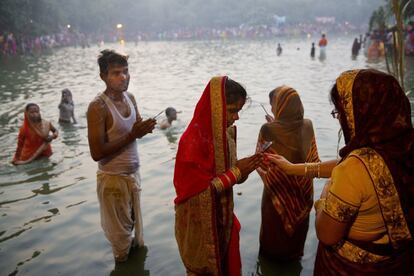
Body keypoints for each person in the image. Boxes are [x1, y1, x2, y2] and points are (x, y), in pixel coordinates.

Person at [267, 69, 414, 274]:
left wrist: (323, 197)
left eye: (340, 112)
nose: (339, 120)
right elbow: (354, 164)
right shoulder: (402, 148)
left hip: (353, 266)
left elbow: (327, 234)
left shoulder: (352, 170)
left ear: (360, 111)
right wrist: (293, 169)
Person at [174, 76, 263, 275]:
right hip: (198, 227)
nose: (236, 117)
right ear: (215, 107)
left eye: (238, 111)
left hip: (224, 219)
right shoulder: (192, 142)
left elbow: (232, 177)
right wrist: (237, 171)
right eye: (232, 111)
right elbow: (196, 193)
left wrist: (247, 168)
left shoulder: (226, 135)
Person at [87, 49, 156, 263]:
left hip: (133, 175)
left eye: (126, 71)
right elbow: (96, 153)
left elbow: (134, 130)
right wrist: (133, 134)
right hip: (112, 180)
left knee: (134, 230)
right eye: (116, 73)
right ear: (103, 77)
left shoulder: (130, 97)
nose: (123, 77)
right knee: (120, 241)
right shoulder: (97, 107)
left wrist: (143, 129)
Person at [256, 86, 320, 262]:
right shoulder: (308, 124)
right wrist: (276, 122)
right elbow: (313, 160)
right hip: (304, 196)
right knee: (294, 250)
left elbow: (260, 163)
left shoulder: (267, 130)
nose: (272, 110)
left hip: (276, 196)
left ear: (281, 106)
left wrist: (272, 126)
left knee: (272, 249)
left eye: (273, 105)